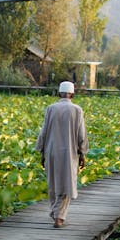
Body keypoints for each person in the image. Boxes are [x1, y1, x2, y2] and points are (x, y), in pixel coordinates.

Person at [36, 81, 89, 228]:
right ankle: (59, 217)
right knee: (67, 183)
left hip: (51, 151)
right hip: (69, 153)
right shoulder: (77, 110)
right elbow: (81, 135)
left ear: (59, 93)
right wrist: (82, 153)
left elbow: (44, 132)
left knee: (53, 183)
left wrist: (42, 151)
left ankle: (55, 212)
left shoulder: (51, 109)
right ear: (72, 94)